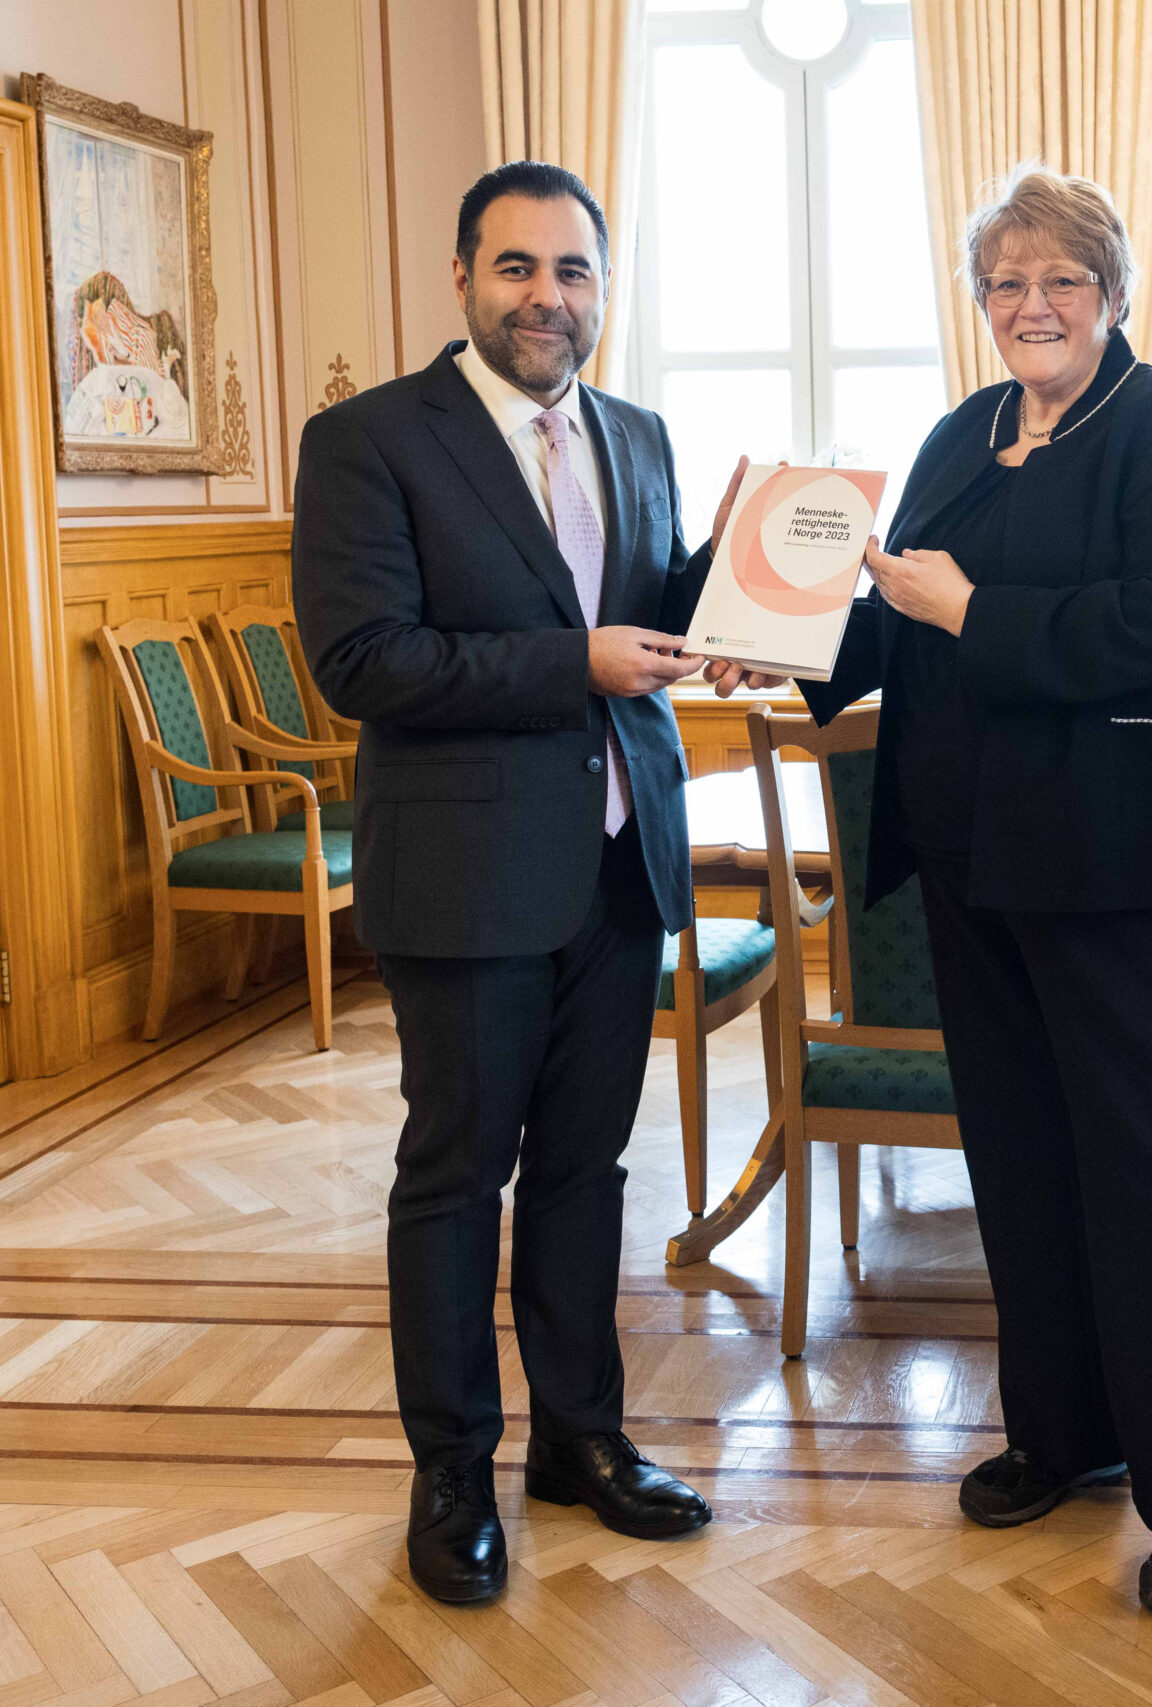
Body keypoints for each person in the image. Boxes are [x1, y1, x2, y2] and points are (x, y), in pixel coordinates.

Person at [703, 166, 1152, 1619]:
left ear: (1113, 292)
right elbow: (891, 610)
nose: (1032, 307)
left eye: (1063, 281)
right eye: (1006, 284)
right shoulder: (962, 432)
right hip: (979, 860)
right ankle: (1069, 1431)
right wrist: (769, 643)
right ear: (980, 301)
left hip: (1137, 871)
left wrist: (973, 609)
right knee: (1027, 1163)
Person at [295, 160, 748, 1604]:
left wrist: (737, 599)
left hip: (619, 868)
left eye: (573, 272)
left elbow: (647, 611)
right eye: (517, 268)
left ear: (602, 292)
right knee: (454, 1179)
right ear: (462, 281)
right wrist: (583, 663)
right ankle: (451, 1476)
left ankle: (582, 1440)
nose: (547, 297)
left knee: (583, 1173)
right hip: (467, 876)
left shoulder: (640, 431)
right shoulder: (368, 440)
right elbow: (365, 662)